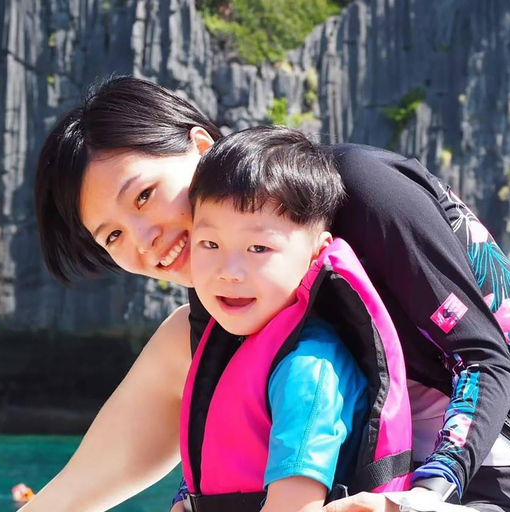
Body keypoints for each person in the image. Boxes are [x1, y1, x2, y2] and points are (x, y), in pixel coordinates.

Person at [22, 76, 510, 512]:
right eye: (113, 236)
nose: (146, 242)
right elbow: (81, 492)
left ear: (200, 149)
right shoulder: (211, 324)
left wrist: (429, 493)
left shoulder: (358, 191)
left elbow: (486, 360)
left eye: (144, 196)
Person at [172, 126, 412, 511]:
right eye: (210, 244)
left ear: (317, 255)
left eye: (258, 247)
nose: (229, 271)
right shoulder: (246, 347)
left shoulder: (308, 368)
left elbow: (294, 505)